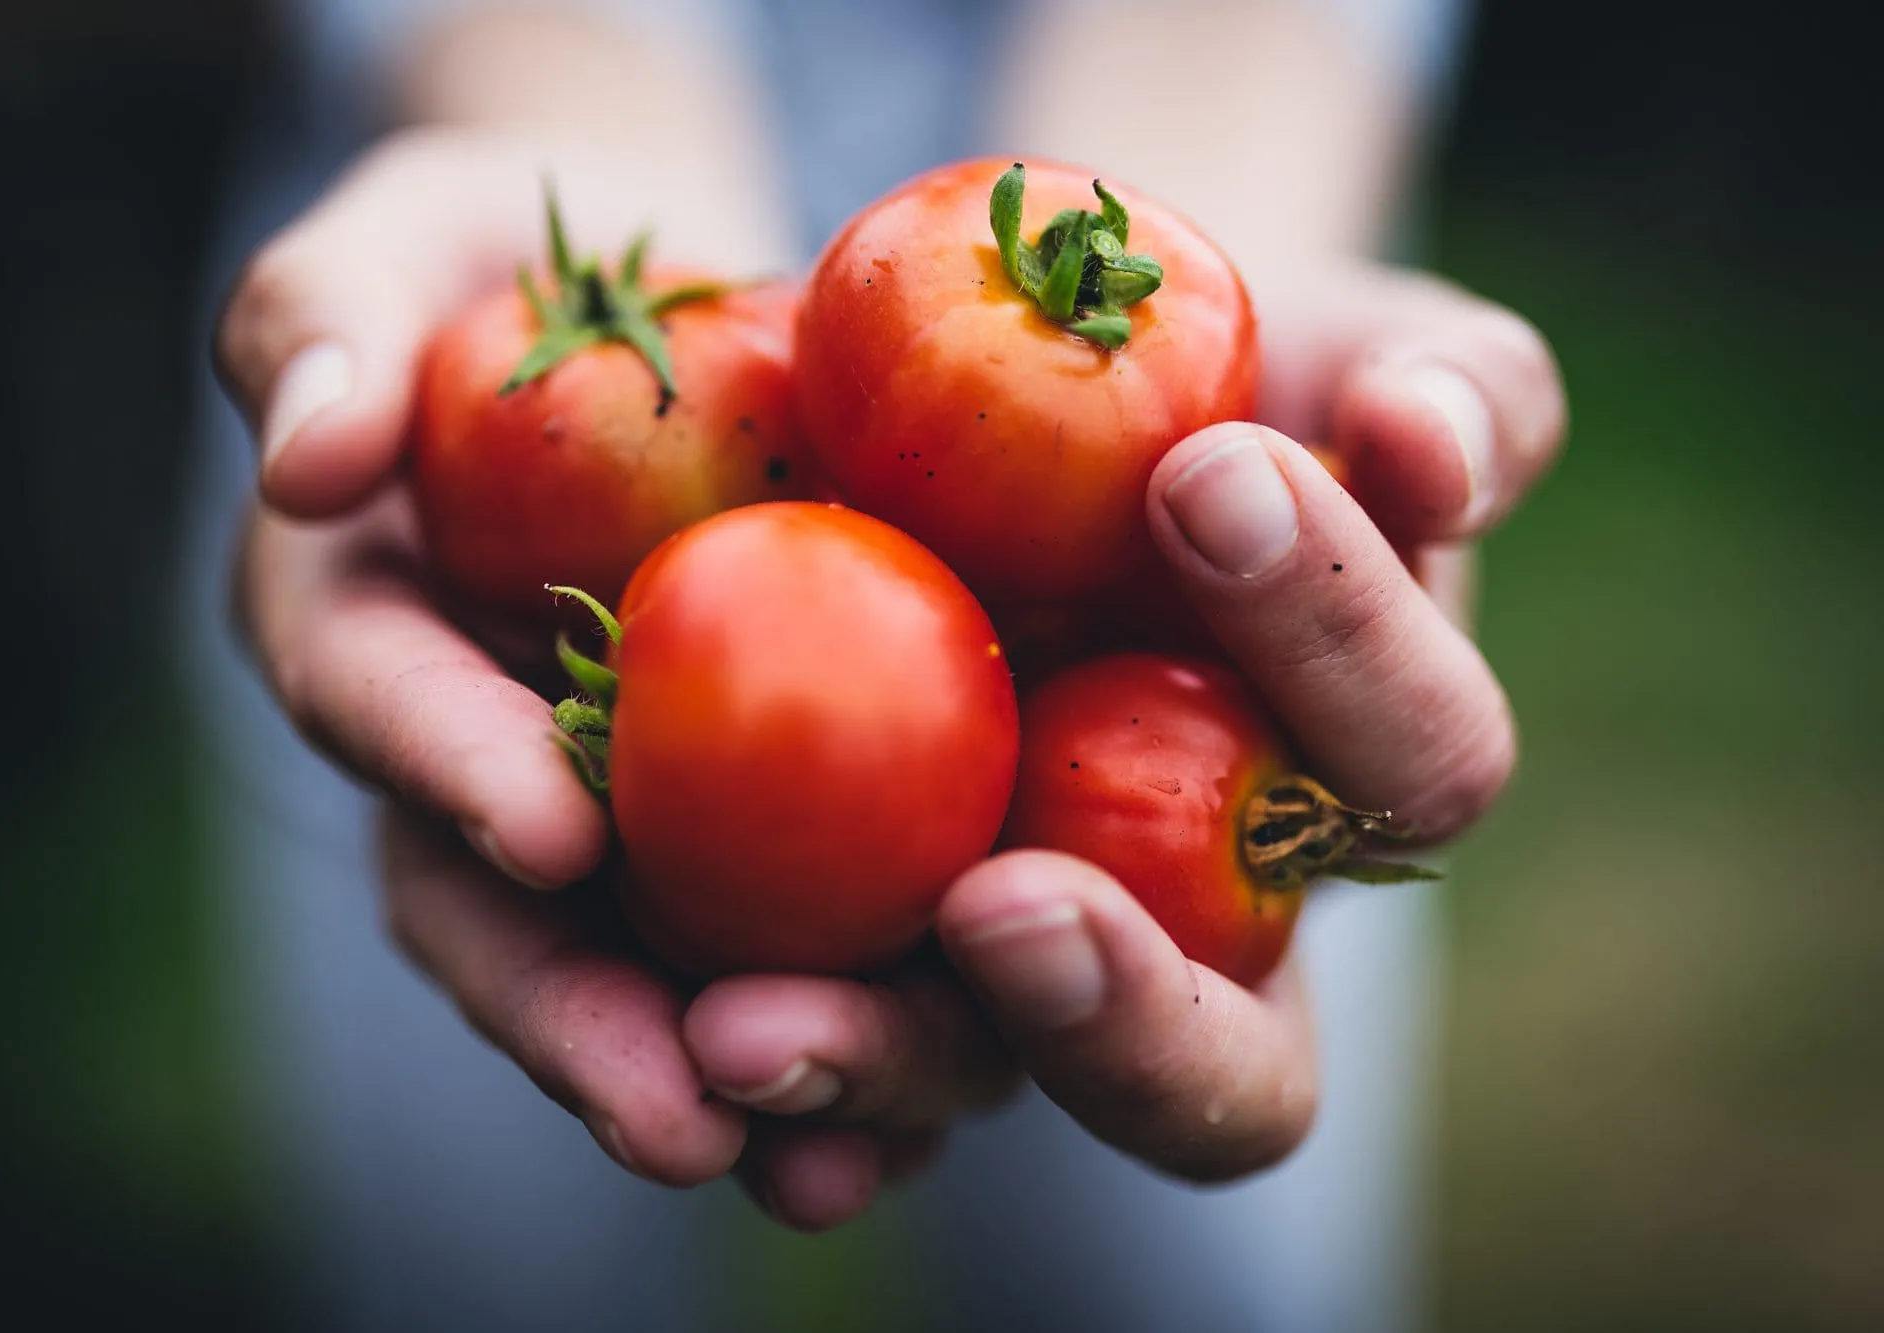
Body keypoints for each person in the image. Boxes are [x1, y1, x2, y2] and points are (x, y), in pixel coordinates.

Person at [185, 1, 1566, 1328]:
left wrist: (1223, 159)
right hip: (478, 210)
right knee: (481, 1274)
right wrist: (558, 106)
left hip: (1167, 199)